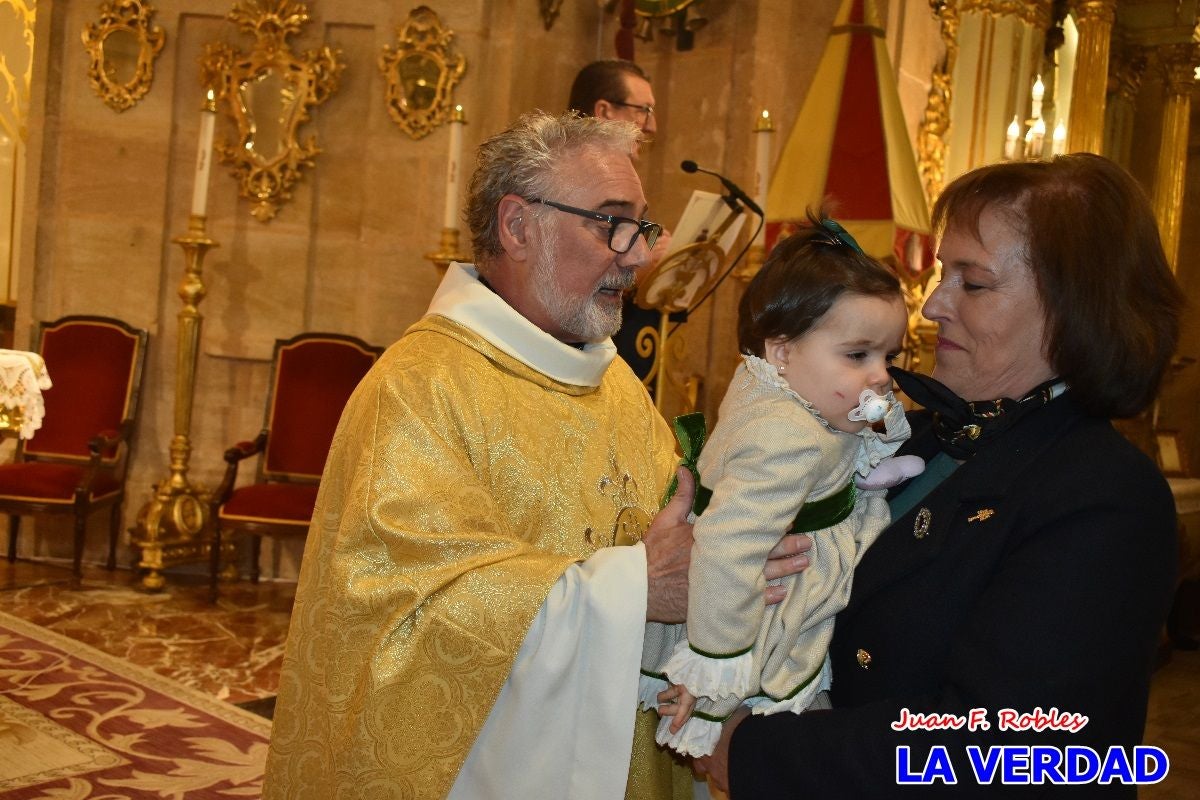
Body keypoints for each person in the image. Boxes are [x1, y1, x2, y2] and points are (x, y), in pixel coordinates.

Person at [261, 111, 808, 800]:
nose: (638, 255)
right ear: (519, 227)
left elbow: (679, 531)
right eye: (610, 222)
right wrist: (635, 587)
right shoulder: (420, 387)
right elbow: (411, 617)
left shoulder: (612, 384)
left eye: (640, 226)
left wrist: (745, 543)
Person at [704, 153, 1182, 798]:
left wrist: (756, 753)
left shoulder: (1105, 496)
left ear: (1073, 306)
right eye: (940, 275)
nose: (931, 307)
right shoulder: (923, 437)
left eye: (973, 283)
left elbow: (1018, 752)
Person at [640, 214, 920, 758]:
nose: (881, 374)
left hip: (782, 568)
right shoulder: (784, 438)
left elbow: (853, 434)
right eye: (858, 355)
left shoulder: (793, 393)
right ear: (782, 352)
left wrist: (867, 447)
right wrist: (714, 667)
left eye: (890, 356)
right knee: (794, 714)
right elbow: (727, 549)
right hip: (758, 610)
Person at [569, 59, 671, 393]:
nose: (652, 126)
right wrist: (646, 268)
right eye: (643, 110)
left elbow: (638, 238)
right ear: (605, 111)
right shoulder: (567, 179)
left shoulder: (622, 179)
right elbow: (567, 281)